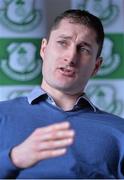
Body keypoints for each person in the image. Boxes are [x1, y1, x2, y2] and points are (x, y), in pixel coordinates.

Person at [0, 9, 124, 179]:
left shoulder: (119, 131)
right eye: (62, 43)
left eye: (84, 49)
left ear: (96, 66)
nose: (71, 57)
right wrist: (13, 159)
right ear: (44, 49)